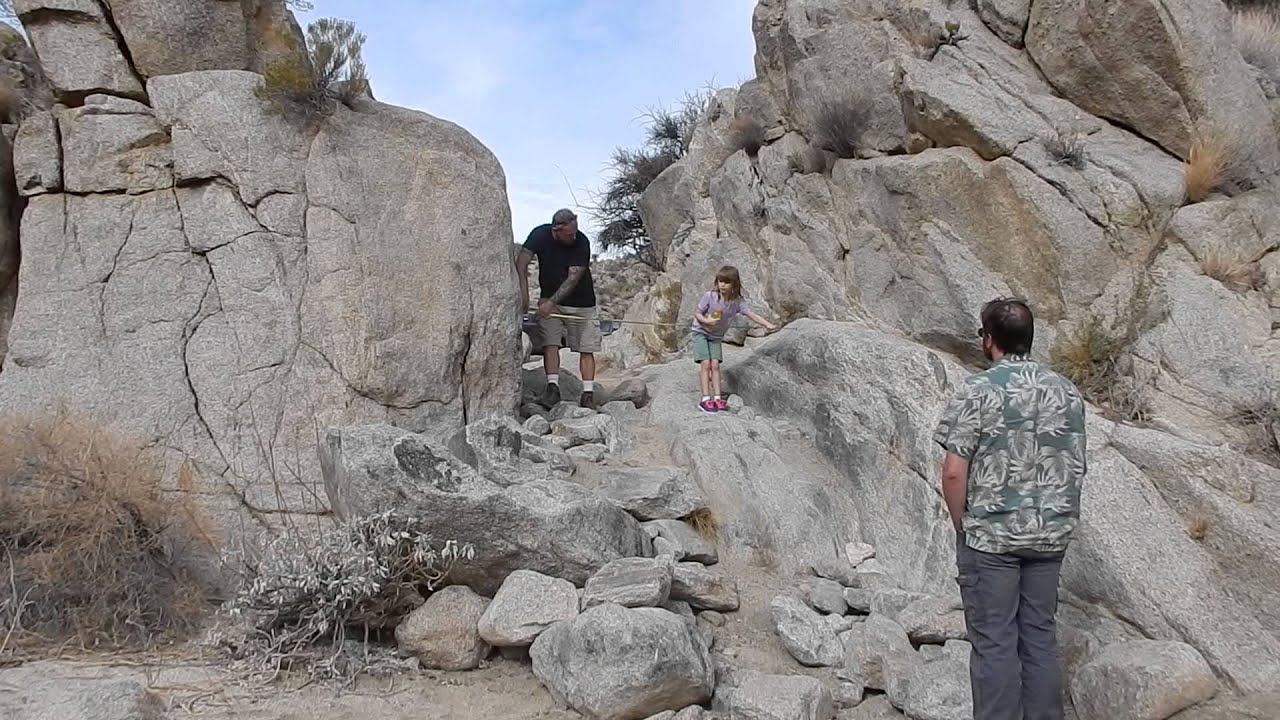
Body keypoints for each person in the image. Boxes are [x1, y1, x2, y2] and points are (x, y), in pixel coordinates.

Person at [932, 298, 1088, 720]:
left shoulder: (978, 390)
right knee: (1040, 636)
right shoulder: (1066, 392)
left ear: (989, 340)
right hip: (1050, 536)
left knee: (995, 640)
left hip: (992, 540)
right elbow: (1075, 463)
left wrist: (963, 524)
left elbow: (953, 472)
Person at [515, 208, 602, 409]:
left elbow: (573, 278)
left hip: (581, 304)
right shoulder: (540, 234)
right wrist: (524, 292)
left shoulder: (581, 242)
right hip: (549, 300)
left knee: (586, 347)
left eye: (575, 232)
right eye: (569, 234)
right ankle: (552, 388)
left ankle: (587, 394)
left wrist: (549, 304)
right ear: (556, 230)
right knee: (550, 343)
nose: (574, 237)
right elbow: (522, 261)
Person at [690, 265, 776, 413]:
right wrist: (706, 321)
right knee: (706, 364)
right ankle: (705, 398)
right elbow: (697, 313)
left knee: (715, 365)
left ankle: (717, 397)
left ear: (734, 285)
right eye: (720, 281)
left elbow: (751, 314)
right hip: (701, 332)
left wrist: (767, 324)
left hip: (716, 336)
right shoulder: (710, 296)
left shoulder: (737, 302)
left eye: (726, 282)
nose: (722, 285)